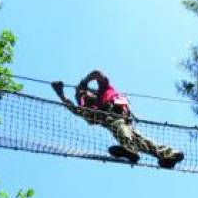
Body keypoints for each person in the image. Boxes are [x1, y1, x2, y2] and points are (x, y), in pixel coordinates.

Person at [51, 70, 184, 168]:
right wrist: (60, 93)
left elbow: (97, 73)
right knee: (142, 142)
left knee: (121, 127)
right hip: (120, 123)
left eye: (85, 95)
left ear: (91, 92)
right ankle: (168, 155)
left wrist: (83, 82)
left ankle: (132, 150)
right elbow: (74, 109)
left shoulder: (104, 91)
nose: (84, 98)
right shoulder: (91, 111)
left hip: (118, 116)